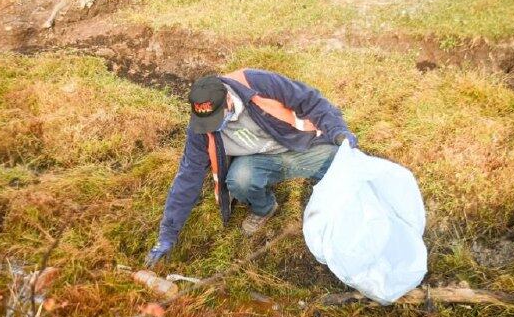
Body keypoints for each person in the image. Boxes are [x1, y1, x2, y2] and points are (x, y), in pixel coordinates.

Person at [144, 68, 357, 267]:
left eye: (216, 118)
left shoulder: (256, 82)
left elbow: (311, 101)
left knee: (344, 162)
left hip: (299, 147)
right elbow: (188, 177)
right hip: (258, 162)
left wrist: (338, 132)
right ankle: (264, 208)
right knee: (240, 180)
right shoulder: (200, 128)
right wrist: (167, 235)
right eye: (207, 123)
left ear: (228, 99)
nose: (212, 127)